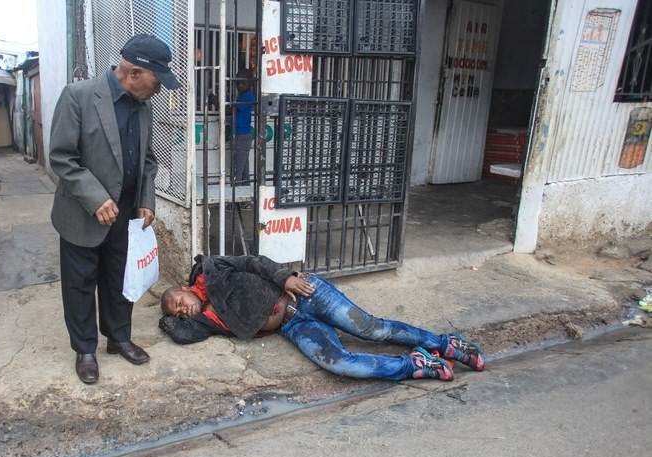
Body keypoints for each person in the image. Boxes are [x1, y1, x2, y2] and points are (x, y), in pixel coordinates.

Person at [49, 34, 180, 384]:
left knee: (120, 278)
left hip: (126, 212)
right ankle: (85, 349)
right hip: (82, 211)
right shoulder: (78, 97)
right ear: (134, 72)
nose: (159, 91)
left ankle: (118, 337)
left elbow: (148, 161)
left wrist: (146, 200)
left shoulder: (143, 106)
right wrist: (95, 198)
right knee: (80, 283)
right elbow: (62, 158)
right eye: (157, 82)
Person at [159, 255, 485, 381]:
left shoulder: (213, 270)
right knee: (340, 363)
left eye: (177, 300)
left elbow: (253, 262)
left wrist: (285, 277)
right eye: (175, 311)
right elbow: (180, 333)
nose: (179, 308)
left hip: (307, 294)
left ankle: (444, 343)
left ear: (186, 287)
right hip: (295, 325)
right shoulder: (204, 323)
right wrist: (166, 320)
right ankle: (414, 364)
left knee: (372, 329)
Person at [231, 69, 255, 185]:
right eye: (238, 83)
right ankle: (245, 192)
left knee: (238, 169)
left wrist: (217, 102)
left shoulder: (247, 96)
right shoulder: (243, 95)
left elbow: (231, 109)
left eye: (243, 83)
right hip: (242, 135)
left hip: (242, 135)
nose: (239, 86)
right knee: (244, 167)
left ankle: (237, 193)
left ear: (250, 84)